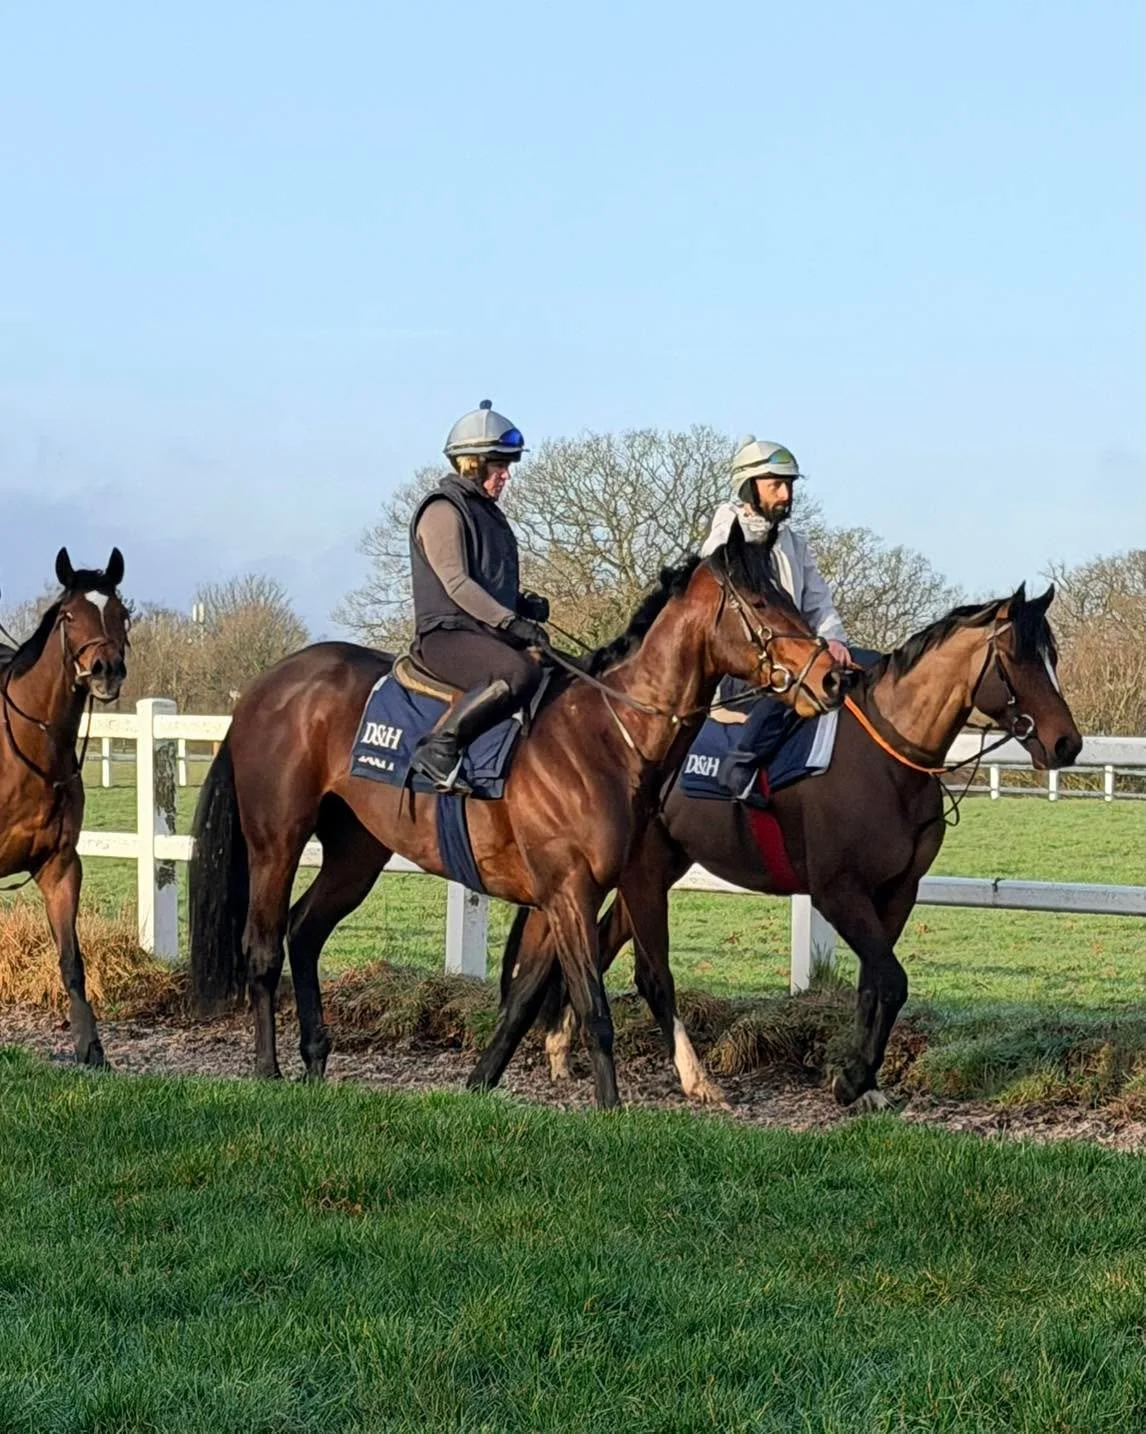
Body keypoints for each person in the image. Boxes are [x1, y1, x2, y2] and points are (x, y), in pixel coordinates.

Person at [407, 400, 550, 795]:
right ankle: (440, 749)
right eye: (498, 465)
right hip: (446, 636)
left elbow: (486, 583)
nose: (505, 475)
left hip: (482, 633)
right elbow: (456, 583)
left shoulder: (486, 512)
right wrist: (510, 621)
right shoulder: (442, 510)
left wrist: (521, 605)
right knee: (517, 673)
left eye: (507, 467)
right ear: (472, 463)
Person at [700, 437, 858, 776]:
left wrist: (835, 640)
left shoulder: (795, 544)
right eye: (776, 485)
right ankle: (739, 768)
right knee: (794, 688)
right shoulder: (725, 538)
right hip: (746, 671)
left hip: (794, 656)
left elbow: (818, 603)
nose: (786, 495)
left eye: (788, 485)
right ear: (748, 488)